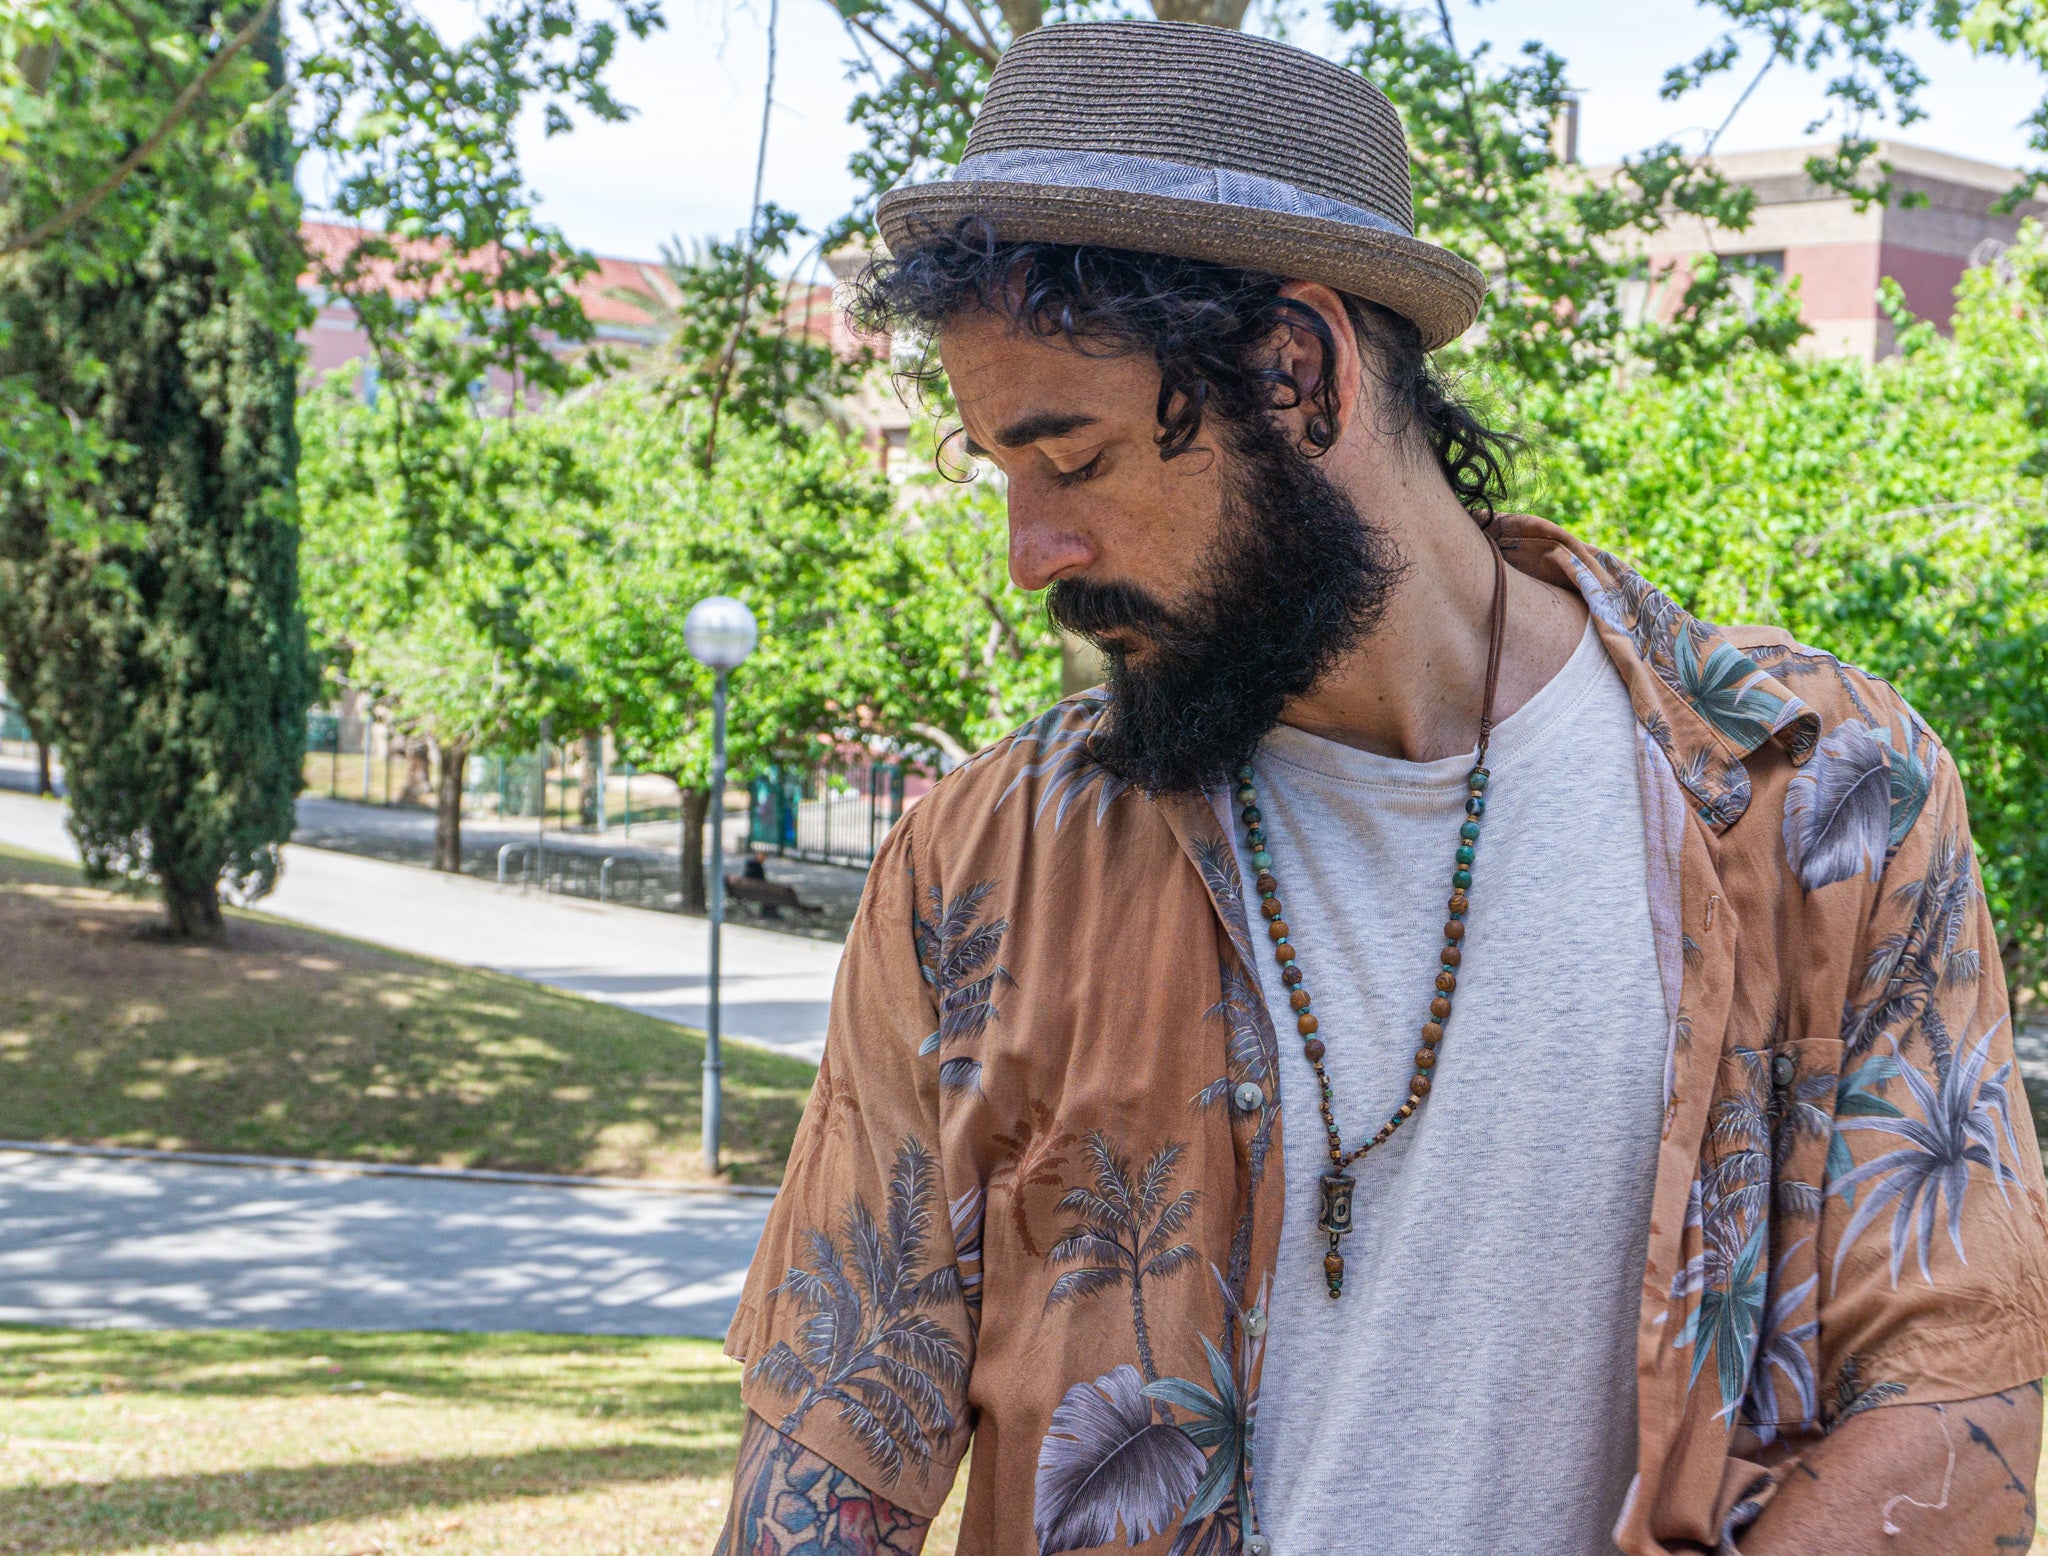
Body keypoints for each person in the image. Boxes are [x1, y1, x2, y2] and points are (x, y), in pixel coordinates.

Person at [715, 21, 2048, 1556]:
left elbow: (1954, 1399)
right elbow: (829, 1465)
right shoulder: (984, 863)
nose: (1032, 555)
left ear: (1300, 373)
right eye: (1000, 473)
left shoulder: (1825, 797)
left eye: (1068, 461)